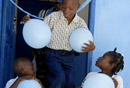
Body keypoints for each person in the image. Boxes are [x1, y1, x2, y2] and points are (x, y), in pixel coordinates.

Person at [20, 0, 95, 88]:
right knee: (59, 77)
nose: (67, 11)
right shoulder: (53, 17)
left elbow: (84, 38)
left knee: (70, 79)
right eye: (64, 7)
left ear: (78, 7)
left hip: (68, 55)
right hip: (53, 54)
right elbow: (41, 29)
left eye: (71, 9)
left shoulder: (80, 23)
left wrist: (92, 47)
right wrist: (29, 22)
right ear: (60, 5)